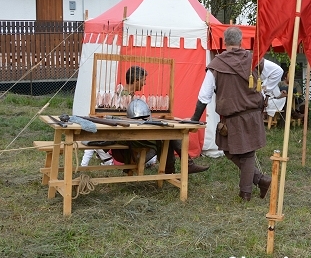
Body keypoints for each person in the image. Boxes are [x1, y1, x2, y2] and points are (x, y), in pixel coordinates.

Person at [189, 26, 271, 201]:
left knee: (247, 153)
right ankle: (260, 179)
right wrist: (265, 92)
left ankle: (245, 193)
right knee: (229, 150)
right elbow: (277, 71)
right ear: (241, 41)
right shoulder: (254, 59)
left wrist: (195, 119)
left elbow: (204, 95)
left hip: (237, 116)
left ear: (224, 42)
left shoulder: (217, 65)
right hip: (248, 116)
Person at [89, 65, 209, 174]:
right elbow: (122, 120)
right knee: (170, 136)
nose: (145, 83)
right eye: (143, 80)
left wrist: (174, 119)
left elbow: (144, 117)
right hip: (128, 139)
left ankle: (175, 170)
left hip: (135, 134)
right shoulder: (120, 98)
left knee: (170, 135)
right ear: (136, 80)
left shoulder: (133, 97)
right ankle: (176, 169)